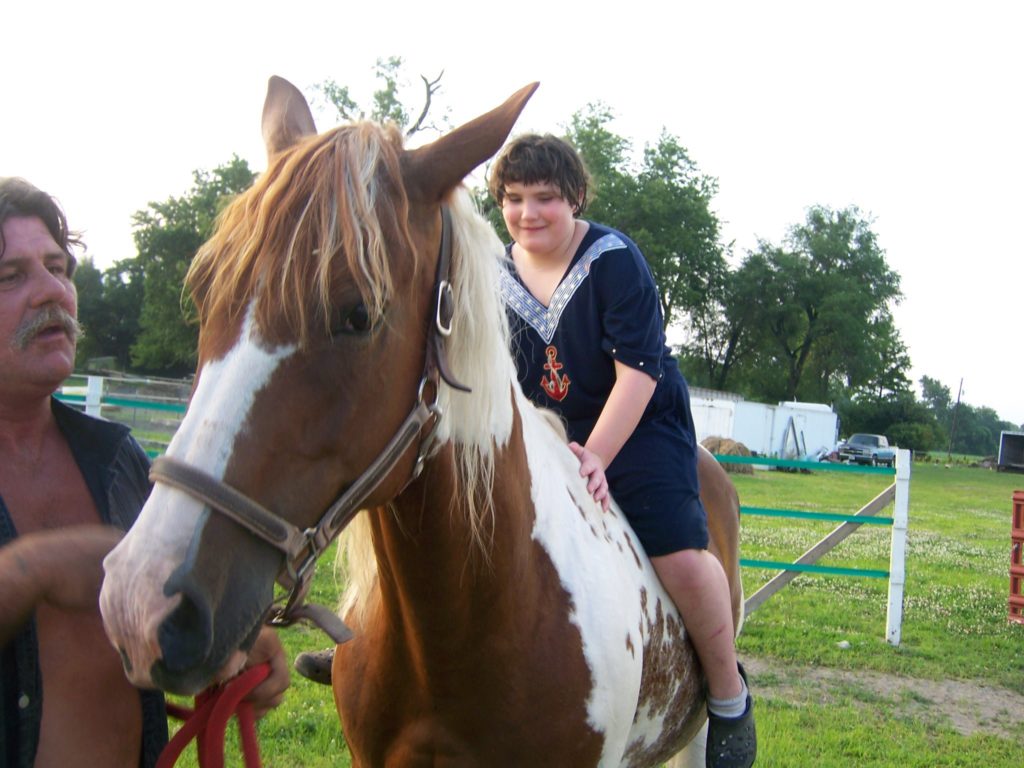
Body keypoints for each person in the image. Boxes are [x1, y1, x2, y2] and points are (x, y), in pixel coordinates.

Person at [0, 177, 290, 768]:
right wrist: (32, 570)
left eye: (58, 267)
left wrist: (228, 643)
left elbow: (159, 622)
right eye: (11, 276)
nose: (51, 291)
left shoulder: (119, 461)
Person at [489, 134, 756, 768]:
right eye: (514, 198)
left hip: (635, 427)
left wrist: (595, 457)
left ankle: (727, 696)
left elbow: (637, 373)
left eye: (546, 198)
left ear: (575, 197)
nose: (529, 213)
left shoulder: (614, 260)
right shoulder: (492, 274)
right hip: (542, 432)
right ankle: (374, 646)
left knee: (682, 555)